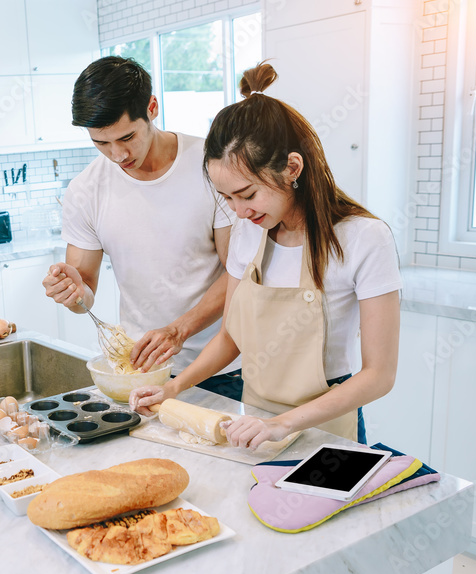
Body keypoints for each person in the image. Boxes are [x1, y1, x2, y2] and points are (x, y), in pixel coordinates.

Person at [130, 61, 402, 448]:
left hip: (326, 428)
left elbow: (379, 375)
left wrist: (284, 424)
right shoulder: (247, 235)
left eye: (248, 194)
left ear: (292, 168)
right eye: (227, 198)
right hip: (252, 425)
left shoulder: (363, 239)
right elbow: (230, 338)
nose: (239, 212)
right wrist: (172, 389)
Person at [43, 56, 242, 399]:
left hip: (220, 367)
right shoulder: (85, 190)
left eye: (127, 137)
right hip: (139, 371)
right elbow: (84, 291)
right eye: (101, 143)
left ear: (151, 108)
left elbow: (239, 272)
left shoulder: (211, 165)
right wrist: (72, 294)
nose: (117, 154)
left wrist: (178, 331)